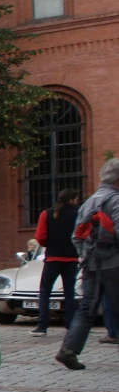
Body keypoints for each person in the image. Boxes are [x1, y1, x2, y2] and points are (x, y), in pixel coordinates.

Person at [56, 159, 119, 370]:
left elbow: (76, 236)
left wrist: (85, 255)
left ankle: (68, 350)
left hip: (91, 263)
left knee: (87, 308)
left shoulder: (89, 201)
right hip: (114, 263)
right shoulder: (116, 200)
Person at [31, 188, 80, 336]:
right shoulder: (77, 214)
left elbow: (40, 237)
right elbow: (81, 234)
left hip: (52, 258)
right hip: (71, 258)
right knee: (69, 292)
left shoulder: (47, 214)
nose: (77, 202)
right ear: (71, 200)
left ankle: (42, 325)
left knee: (45, 291)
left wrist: (50, 244)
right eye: (76, 199)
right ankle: (70, 324)